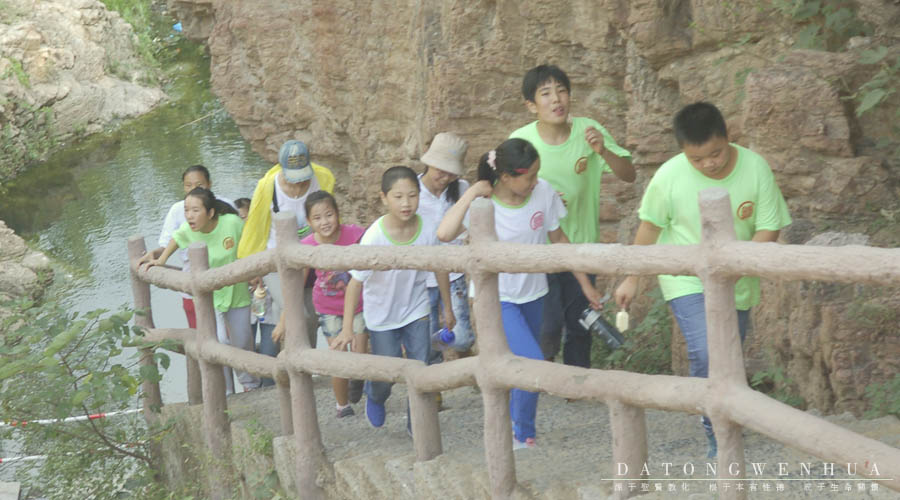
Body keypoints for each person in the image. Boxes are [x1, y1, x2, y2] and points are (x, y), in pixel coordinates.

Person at [614, 102, 791, 458]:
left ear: (728, 137)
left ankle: (726, 417)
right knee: (708, 348)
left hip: (738, 279)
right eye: (696, 159)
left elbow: (769, 226)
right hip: (686, 278)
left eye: (715, 153)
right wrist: (632, 278)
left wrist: (734, 269)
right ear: (683, 151)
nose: (709, 164)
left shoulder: (755, 168)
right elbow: (649, 228)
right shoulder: (668, 176)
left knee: (730, 354)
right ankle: (716, 431)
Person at [437, 138, 603, 449]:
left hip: (535, 293)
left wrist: (584, 283)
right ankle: (521, 432)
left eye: (538, 173)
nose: (535, 181)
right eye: (529, 176)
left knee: (517, 363)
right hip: (496, 298)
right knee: (531, 361)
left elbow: (559, 238)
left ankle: (518, 428)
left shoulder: (543, 192)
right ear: (505, 176)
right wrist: (472, 192)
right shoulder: (483, 204)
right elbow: (444, 233)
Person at [510, 64, 635, 368]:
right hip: (540, 250)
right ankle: (539, 376)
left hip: (581, 245)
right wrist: (541, 199)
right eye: (546, 93)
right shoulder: (521, 140)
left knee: (581, 324)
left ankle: (577, 383)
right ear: (531, 105)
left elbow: (628, 174)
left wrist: (603, 151)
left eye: (562, 91)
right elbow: (506, 191)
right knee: (548, 324)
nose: (556, 99)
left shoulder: (588, 131)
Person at [333, 166, 455, 431]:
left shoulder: (428, 229)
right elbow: (355, 283)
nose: (406, 203)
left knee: (419, 366)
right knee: (386, 372)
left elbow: (440, 268)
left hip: (416, 308)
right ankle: (376, 395)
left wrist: (448, 307)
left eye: (412, 196)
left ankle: (417, 424)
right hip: (382, 315)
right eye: (398, 197)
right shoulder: (375, 236)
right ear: (384, 198)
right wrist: (347, 328)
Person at [140, 187, 260, 394]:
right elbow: (176, 240)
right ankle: (226, 391)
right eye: (187, 210)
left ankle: (250, 385)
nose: (189, 216)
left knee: (242, 344)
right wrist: (160, 260)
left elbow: (249, 245)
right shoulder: (188, 230)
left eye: (195, 210)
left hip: (237, 293)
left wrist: (254, 272)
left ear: (210, 212)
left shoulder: (231, 223)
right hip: (209, 298)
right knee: (219, 342)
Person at [237, 140, 335, 386]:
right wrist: (252, 264)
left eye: (302, 177)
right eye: (293, 179)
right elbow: (256, 225)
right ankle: (293, 371)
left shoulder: (322, 178)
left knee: (311, 316)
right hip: (277, 261)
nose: (298, 184)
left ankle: (304, 367)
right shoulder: (268, 186)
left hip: (311, 257)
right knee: (296, 311)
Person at [272, 191, 367, 418]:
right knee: (338, 356)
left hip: (358, 304)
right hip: (328, 308)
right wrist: (284, 320)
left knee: (361, 351)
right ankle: (342, 405)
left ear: (338, 214)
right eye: (317, 218)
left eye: (329, 215)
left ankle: (358, 378)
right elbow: (297, 285)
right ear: (309, 221)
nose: (325, 222)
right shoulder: (307, 246)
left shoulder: (355, 234)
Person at [153, 165, 235, 331]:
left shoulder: (225, 206)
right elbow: (167, 243)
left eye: (199, 185)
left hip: (226, 283)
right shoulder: (177, 210)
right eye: (188, 185)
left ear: (209, 184)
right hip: (192, 284)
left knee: (229, 336)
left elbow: (241, 239)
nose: (193, 189)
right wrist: (154, 256)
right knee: (200, 335)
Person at [417, 132, 475, 360]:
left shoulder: (461, 189)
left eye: (451, 173)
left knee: (461, 336)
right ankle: (435, 370)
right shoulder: (412, 191)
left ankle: (465, 369)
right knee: (428, 332)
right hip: (422, 276)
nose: (445, 178)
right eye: (441, 171)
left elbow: (469, 225)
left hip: (453, 274)